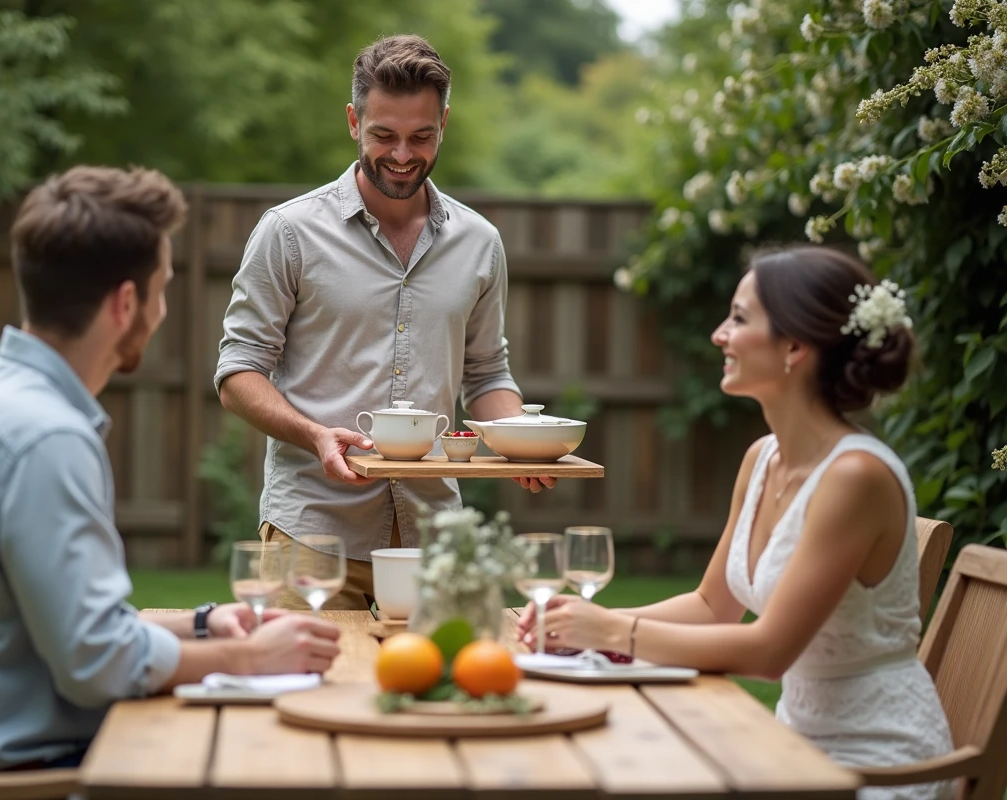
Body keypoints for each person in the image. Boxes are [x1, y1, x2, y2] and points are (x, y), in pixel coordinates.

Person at [0, 165, 341, 773]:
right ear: (126, 302)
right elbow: (97, 665)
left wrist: (201, 626)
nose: (165, 309)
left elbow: (76, 630)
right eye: (162, 288)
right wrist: (247, 658)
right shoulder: (46, 439)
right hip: (24, 774)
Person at [519, 245, 954, 798]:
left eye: (740, 319)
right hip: (788, 752)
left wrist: (610, 633)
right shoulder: (763, 458)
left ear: (795, 346)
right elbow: (711, 606)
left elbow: (769, 652)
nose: (719, 335)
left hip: (877, 767)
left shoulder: (855, 477)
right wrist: (579, 627)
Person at [215, 34, 552, 611]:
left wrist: (522, 440)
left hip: (435, 541)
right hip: (313, 538)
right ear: (353, 121)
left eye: (421, 136)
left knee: (440, 698)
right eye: (383, 135)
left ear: (445, 122)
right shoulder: (289, 232)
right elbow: (237, 373)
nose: (402, 154)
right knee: (305, 696)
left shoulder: (480, 243)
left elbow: (487, 372)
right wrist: (315, 434)